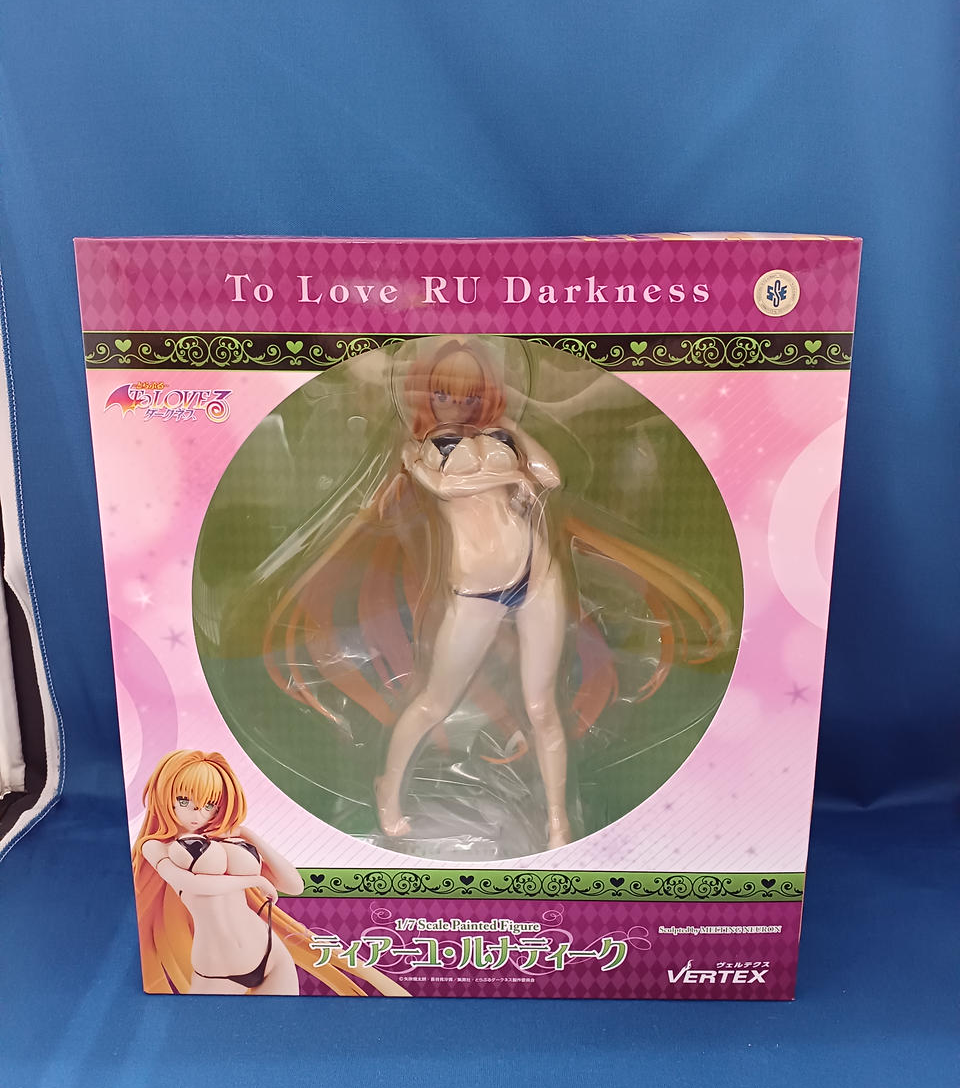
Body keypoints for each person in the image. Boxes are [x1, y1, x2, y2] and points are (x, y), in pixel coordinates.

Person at [265, 337, 732, 851]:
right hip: (475, 590)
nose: (456, 404)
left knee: (542, 706)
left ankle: (558, 820)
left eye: (470, 395)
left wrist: (513, 429)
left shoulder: (500, 436)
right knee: (435, 701)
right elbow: (445, 488)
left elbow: (551, 477)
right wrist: (509, 472)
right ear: (425, 393)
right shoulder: (421, 449)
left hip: (538, 577)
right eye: (443, 393)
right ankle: (388, 790)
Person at [132, 749, 408, 995]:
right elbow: (190, 883)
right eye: (184, 800)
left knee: (283, 1030)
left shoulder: (228, 838)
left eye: (209, 804)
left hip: (270, 952)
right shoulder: (156, 845)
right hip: (217, 968)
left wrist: (250, 836)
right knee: (207, 1033)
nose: (198, 813)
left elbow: (294, 885)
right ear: (165, 795)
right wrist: (254, 880)